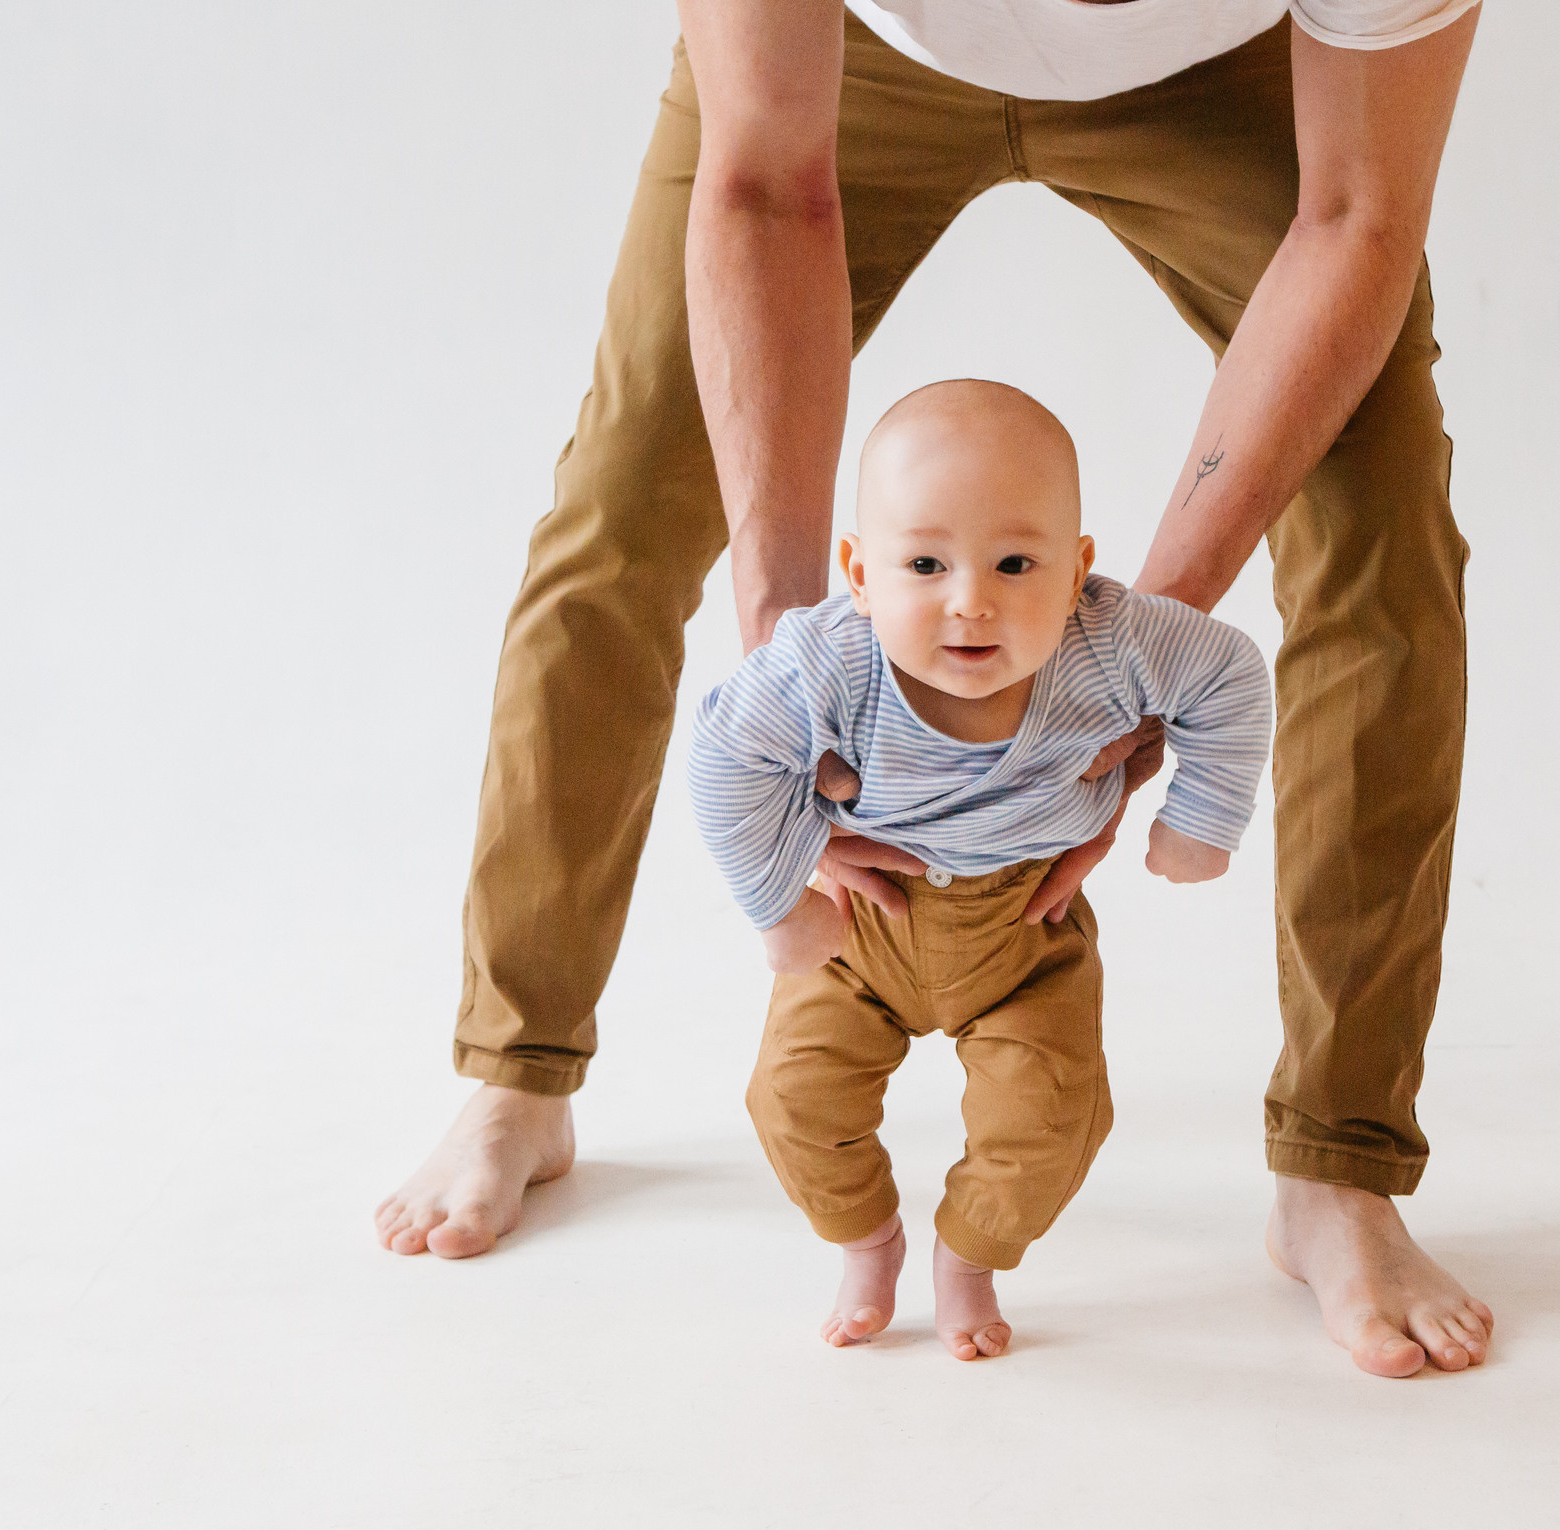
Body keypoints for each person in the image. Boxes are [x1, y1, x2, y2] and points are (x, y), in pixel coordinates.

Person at [374, 0, 1498, 1379]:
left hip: (1225, 81)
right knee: (621, 510)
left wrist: (1124, 662)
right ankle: (515, 1071)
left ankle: (1340, 1163)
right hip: (847, 59)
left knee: (1382, 548)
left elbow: (1356, 220)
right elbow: (761, 180)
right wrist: (795, 665)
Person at [692, 379, 1270, 1359]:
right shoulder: (831, 661)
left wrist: (1201, 819)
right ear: (860, 572)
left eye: (1015, 562)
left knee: (1050, 1119)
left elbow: (1228, 673)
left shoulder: (1112, 642)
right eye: (923, 563)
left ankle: (970, 1257)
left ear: (1077, 567)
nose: (971, 601)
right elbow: (723, 753)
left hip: (1025, 933)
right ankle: (866, 1241)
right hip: (860, 926)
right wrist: (777, 900)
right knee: (791, 1100)